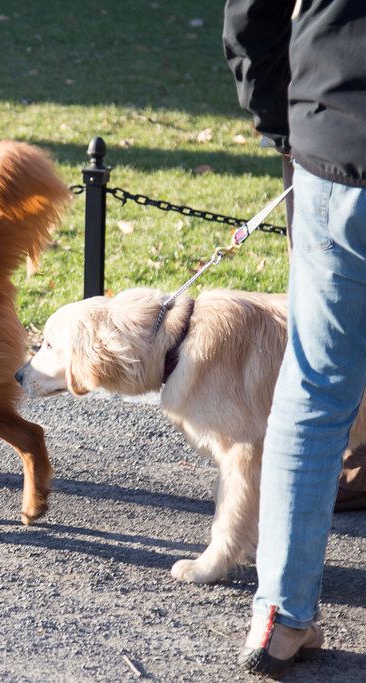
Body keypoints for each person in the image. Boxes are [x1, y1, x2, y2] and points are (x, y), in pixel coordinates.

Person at [223, 0, 366, 677]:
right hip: (329, 128)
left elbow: (252, 14)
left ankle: (280, 613)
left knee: (313, 385)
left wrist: (281, 119)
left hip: (334, 131)